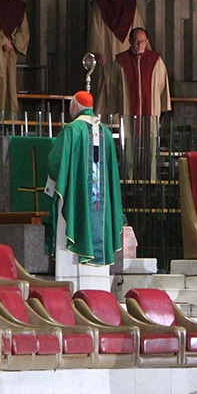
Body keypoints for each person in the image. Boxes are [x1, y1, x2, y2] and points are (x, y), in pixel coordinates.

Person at [45, 90, 125, 291]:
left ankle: (71, 288)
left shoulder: (72, 130)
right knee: (99, 222)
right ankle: (98, 291)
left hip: (76, 198)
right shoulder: (106, 133)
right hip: (101, 202)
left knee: (70, 227)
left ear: (74, 106)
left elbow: (55, 164)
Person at [109, 27, 171, 179]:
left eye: (142, 42)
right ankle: (129, 178)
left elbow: (162, 85)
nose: (139, 45)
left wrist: (161, 107)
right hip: (129, 111)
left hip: (150, 111)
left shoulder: (156, 60)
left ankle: (151, 179)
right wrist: (115, 108)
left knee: (151, 144)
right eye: (136, 42)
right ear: (130, 41)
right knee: (129, 143)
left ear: (147, 42)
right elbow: (114, 86)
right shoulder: (120, 61)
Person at [87, 0, 145, 115]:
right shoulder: (99, 3)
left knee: (124, 82)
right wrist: (97, 51)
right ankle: (101, 116)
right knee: (103, 83)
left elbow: (138, 29)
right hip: (105, 49)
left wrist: (139, 50)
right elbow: (95, 28)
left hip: (125, 48)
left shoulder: (131, 5)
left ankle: (121, 118)